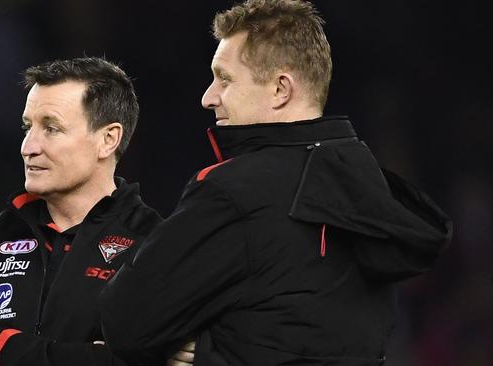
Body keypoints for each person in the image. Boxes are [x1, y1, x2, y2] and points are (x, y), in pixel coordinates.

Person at [99, 1, 453, 365]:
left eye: (225, 78)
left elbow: (125, 322)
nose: (209, 97)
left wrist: (203, 349)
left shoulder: (235, 190)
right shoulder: (368, 184)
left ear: (281, 89)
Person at [0, 57, 192, 366]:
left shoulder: (155, 246)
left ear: (107, 139)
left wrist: (2, 345)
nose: (28, 146)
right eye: (27, 127)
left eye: (51, 128)